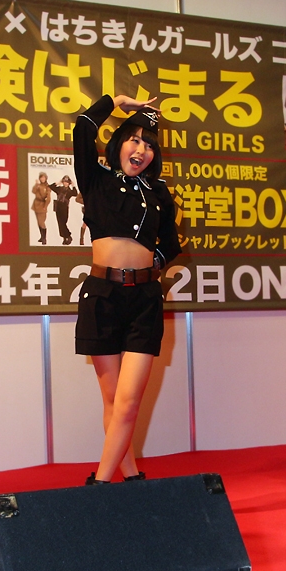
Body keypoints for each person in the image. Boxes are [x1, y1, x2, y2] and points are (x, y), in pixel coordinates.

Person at [72, 94, 181, 485]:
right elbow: (83, 127)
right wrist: (116, 102)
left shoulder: (159, 193)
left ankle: (100, 485)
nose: (141, 150)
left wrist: (152, 265)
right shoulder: (95, 178)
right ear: (118, 144)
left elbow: (171, 244)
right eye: (134, 140)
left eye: (149, 144)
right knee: (113, 400)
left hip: (144, 301)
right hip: (102, 296)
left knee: (129, 401)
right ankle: (131, 477)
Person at [50, 174, 77, 245]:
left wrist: (73, 185)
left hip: (64, 208)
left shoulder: (70, 191)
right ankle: (65, 238)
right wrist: (58, 182)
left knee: (63, 223)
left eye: (67, 182)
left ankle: (68, 235)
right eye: (64, 182)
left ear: (69, 183)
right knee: (60, 223)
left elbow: (75, 193)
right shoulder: (59, 189)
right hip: (58, 207)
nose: (65, 183)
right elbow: (51, 187)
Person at [31, 172, 52, 244]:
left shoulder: (48, 187)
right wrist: (36, 184)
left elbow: (48, 198)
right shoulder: (38, 185)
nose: (42, 179)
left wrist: (45, 206)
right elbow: (33, 191)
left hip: (42, 205)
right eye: (41, 177)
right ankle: (41, 236)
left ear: (46, 178)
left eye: (44, 177)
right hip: (36, 204)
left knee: (41, 222)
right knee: (38, 222)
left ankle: (44, 238)